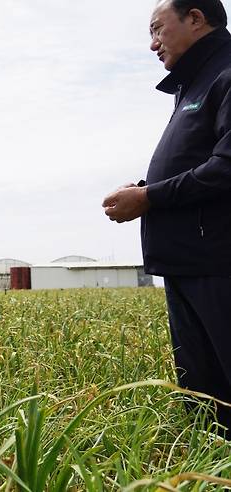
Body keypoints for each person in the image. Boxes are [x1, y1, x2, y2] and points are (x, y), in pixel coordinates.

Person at [103, 0, 231, 431]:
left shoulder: (226, 73)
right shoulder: (193, 83)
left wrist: (151, 198)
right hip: (187, 261)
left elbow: (226, 167)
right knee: (200, 390)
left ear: (195, 18)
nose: (153, 44)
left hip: (218, 262)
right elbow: (191, 161)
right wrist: (144, 188)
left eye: (158, 29)